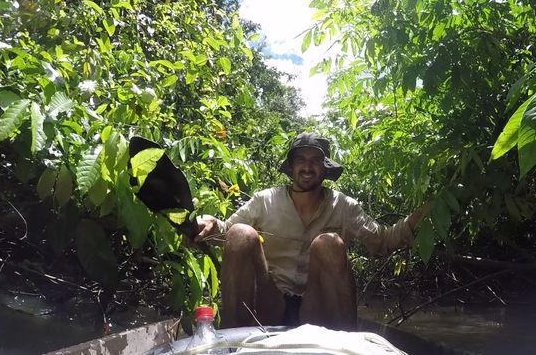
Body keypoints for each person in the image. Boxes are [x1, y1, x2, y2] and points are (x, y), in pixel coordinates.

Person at [184, 132, 430, 331]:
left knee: (329, 243)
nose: (307, 167)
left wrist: (423, 214)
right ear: (291, 167)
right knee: (240, 232)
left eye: (315, 160)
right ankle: (231, 342)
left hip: (317, 307)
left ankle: (345, 345)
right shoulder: (265, 200)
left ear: (325, 168)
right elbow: (227, 233)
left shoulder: (344, 206)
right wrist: (210, 224)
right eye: (301, 160)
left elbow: (383, 241)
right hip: (269, 302)